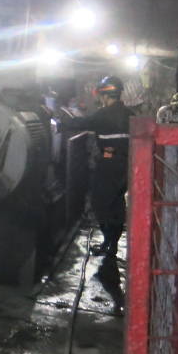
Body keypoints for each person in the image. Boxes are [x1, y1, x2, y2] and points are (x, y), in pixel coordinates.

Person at [64, 75, 133, 259]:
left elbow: (81, 123)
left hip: (108, 165)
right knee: (117, 204)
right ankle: (112, 244)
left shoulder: (103, 115)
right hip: (126, 166)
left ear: (105, 95)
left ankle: (108, 242)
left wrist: (60, 121)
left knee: (100, 204)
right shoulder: (130, 114)